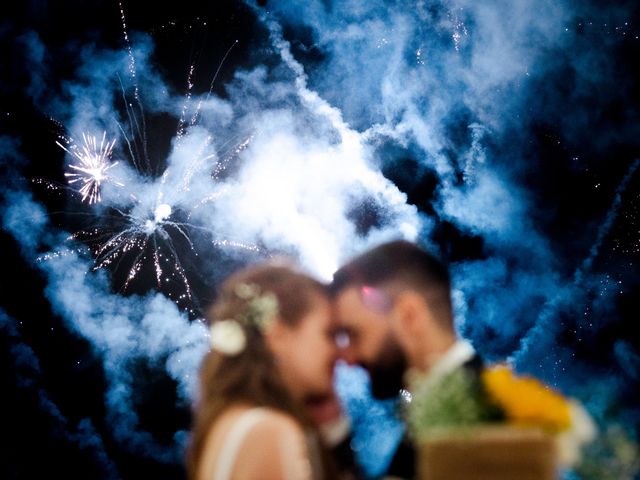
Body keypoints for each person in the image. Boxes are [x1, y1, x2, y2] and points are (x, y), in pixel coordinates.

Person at [330, 240, 482, 479]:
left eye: (354, 334)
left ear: (409, 316)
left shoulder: (484, 413)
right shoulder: (456, 402)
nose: (347, 359)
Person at [187, 262, 344, 480]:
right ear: (278, 334)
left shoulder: (234, 418)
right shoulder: (269, 432)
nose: (339, 352)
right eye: (328, 334)